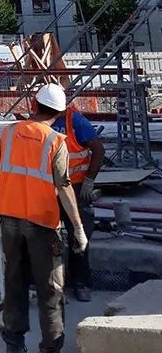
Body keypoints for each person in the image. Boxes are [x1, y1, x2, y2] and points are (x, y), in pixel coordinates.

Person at [0, 83, 88, 353]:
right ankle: (51, 347)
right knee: (51, 290)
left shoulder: (9, 133)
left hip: (9, 219)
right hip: (42, 224)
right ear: (59, 112)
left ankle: (14, 345)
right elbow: (64, 186)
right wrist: (78, 228)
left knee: (15, 282)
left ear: (34, 105)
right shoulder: (55, 141)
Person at [51, 94, 105, 301]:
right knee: (45, 237)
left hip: (75, 188)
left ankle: (81, 283)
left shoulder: (74, 120)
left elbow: (98, 149)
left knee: (79, 236)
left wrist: (89, 180)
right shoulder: (37, 123)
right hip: (48, 189)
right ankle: (50, 285)